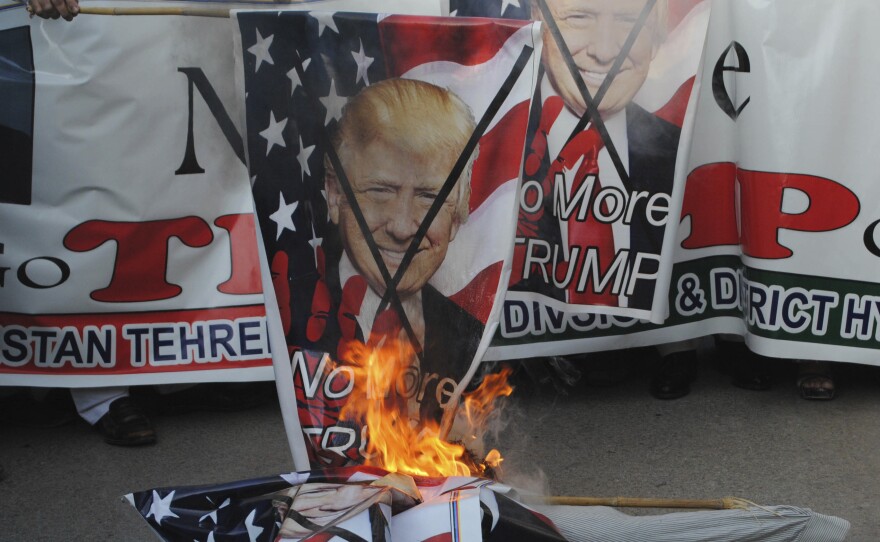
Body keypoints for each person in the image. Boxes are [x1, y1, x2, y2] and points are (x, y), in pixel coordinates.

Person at [514, 0, 696, 398]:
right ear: (537, 20)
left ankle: (663, 346)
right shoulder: (498, 150)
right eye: (580, 17)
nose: (605, 49)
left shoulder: (680, 151)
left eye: (630, 22)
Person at [306, 78, 484, 423]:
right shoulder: (296, 316)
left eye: (429, 197)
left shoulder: (466, 331)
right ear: (334, 194)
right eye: (380, 191)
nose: (403, 228)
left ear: (460, 211)